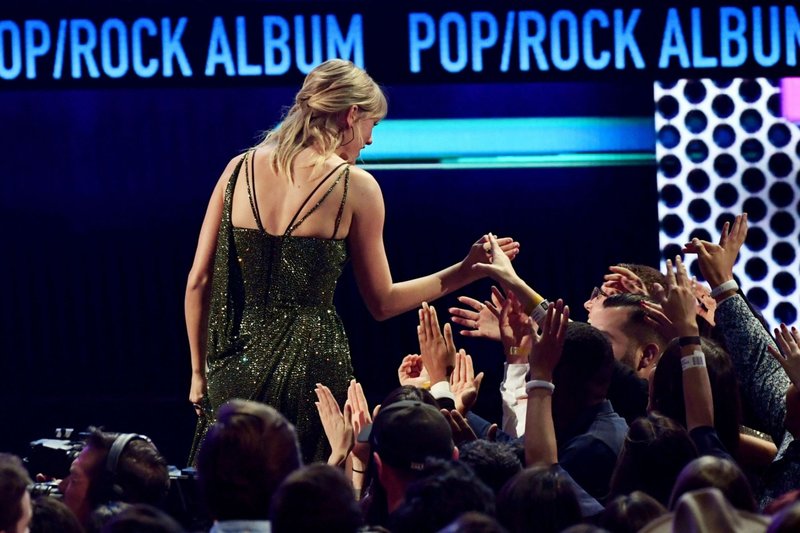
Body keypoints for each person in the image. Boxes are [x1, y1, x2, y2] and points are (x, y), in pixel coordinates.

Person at [185, 58, 519, 464]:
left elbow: (198, 282)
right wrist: (465, 271)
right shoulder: (355, 186)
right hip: (314, 368)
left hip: (232, 364)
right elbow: (383, 303)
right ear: (351, 114)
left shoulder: (237, 169)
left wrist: (199, 372)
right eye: (372, 126)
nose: (370, 141)